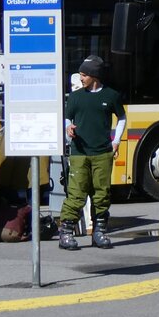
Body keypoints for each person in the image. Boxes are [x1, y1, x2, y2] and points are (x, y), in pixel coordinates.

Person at [58, 55, 126, 251]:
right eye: (80, 74)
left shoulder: (111, 96)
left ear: (94, 76)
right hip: (79, 153)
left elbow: (122, 118)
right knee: (76, 194)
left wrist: (116, 141)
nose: (80, 78)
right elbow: (67, 118)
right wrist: (68, 127)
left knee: (101, 194)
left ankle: (99, 232)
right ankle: (66, 233)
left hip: (103, 153)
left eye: (84, 75)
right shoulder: (76, 97)